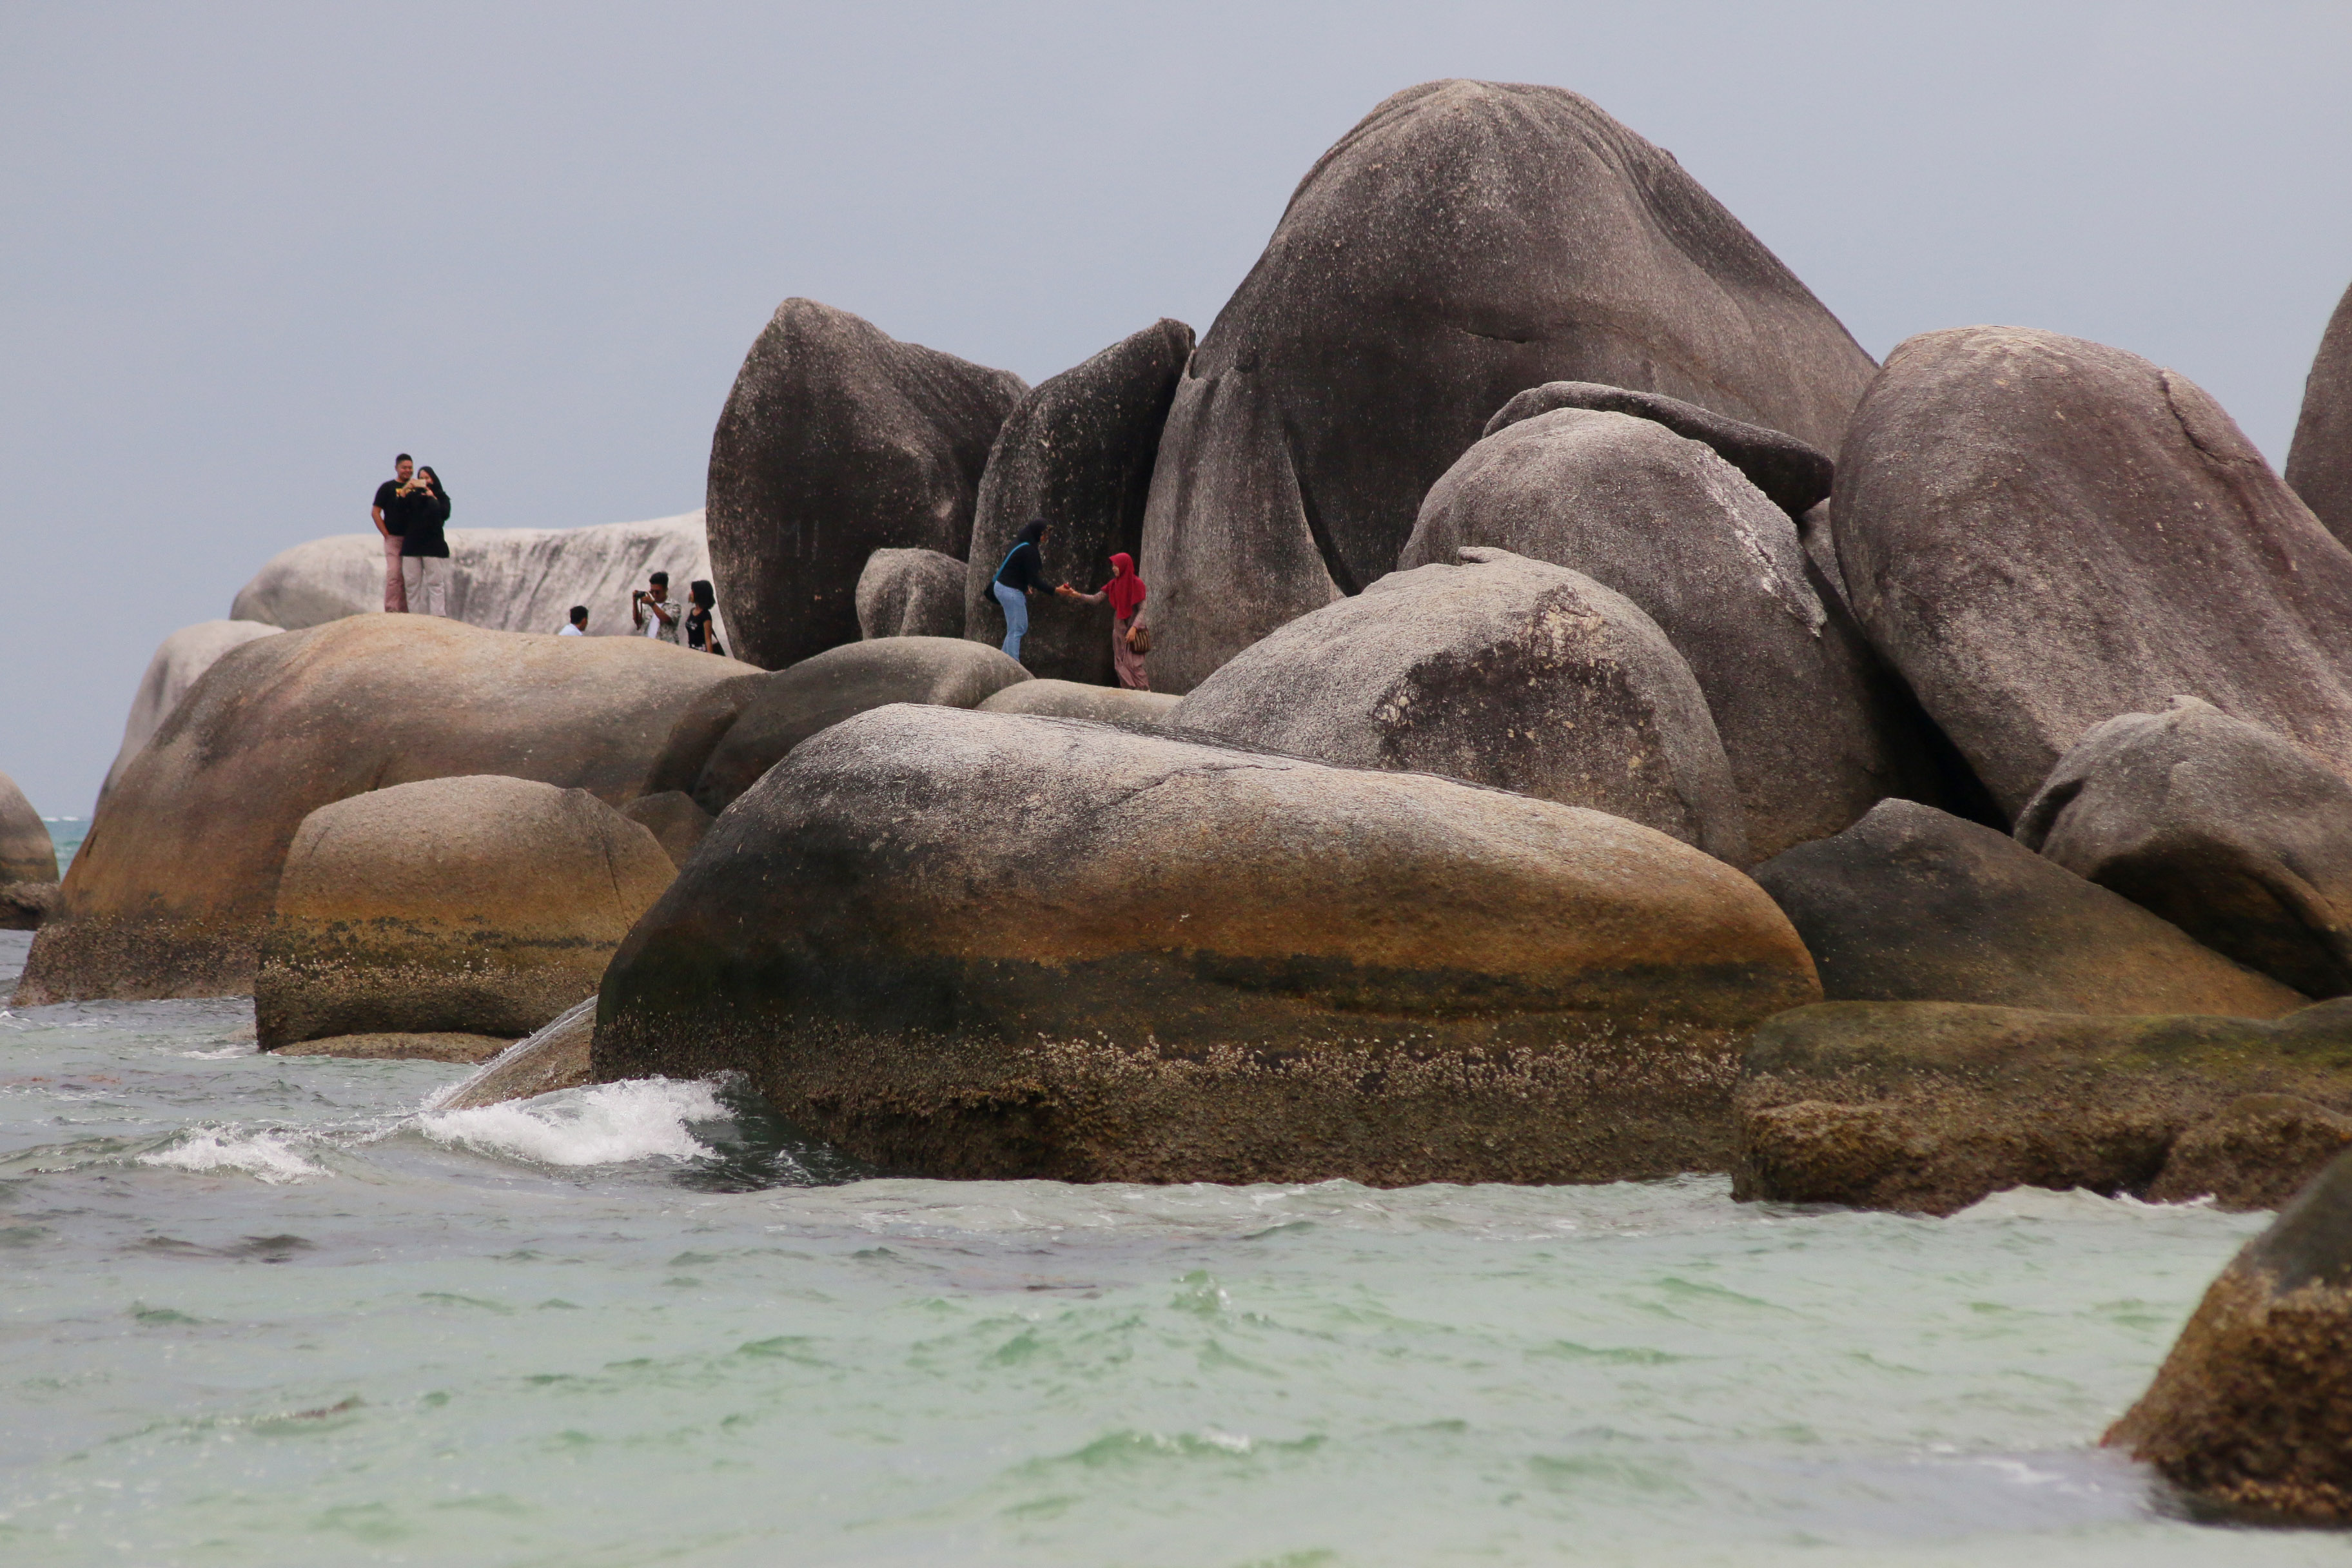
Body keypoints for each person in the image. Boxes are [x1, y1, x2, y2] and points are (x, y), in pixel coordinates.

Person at [1058, 551, 1150, 690]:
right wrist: (1076, 595)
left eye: (1117, 566)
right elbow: (1096, 599)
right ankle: (1129, 693)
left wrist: (1134, 628)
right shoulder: (1113, 584)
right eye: (1113, 566)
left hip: (1134, 631)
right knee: (1120, 664)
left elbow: (1143, 609)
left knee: (1134, 664)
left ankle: (1145, 691)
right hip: (1119, 630)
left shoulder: (1137, 584)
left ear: (1124, 566)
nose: (1114, 568)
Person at [990, 518, 1054, 662]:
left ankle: (1003, 660)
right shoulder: (1028, 549)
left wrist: (1024, 587)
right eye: (1044, 534)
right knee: (1017, 629)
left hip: (1004, 587)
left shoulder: (1021, 543)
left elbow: (1017, 568)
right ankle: (1013, 664)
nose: (1045, 537)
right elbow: (1034, 580)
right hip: (1010, 590)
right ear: (1037, 532)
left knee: (1017, 627)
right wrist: (1055, 590)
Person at [400, 466, 452, 617]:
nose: (425, 481)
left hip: (433, 545)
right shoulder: (412, 497)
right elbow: (400, 511)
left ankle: (438, 615)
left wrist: (433, 498)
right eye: (421, 478)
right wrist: (405, 490)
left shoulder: (441, 497)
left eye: (428, 478)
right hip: (412, 545)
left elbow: (444, 513)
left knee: (435, 582)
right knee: (412, 583)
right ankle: (414, 616)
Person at [370, 454, 415, 612]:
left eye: (410, 468)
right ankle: (392, 609)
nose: (407, 471)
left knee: (409, 576)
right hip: (394, 538)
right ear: (396, 468)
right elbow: (376, 512)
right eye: (404, 467)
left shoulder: (416, 487)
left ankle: (405, 610)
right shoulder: (387, 488)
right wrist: (386, 533)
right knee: (394, 574)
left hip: (412, 540)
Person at [632, 571, 682, 643]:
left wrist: (652, 604)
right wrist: (635, 602)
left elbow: (667, 620)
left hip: (666, 647)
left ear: (666, 589)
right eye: (652, 592)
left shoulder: (674, 605)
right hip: (648, 645)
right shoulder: (647, 605)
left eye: (658, 592)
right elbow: (638, 623)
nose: (655, 595)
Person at [684, 580, 725, 656]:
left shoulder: (706, 616)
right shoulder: (692, 611)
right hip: (692, 651)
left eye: (693, 591)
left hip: (702, 653)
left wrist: (710, 659)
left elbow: (708, 640)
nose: (690, 594)